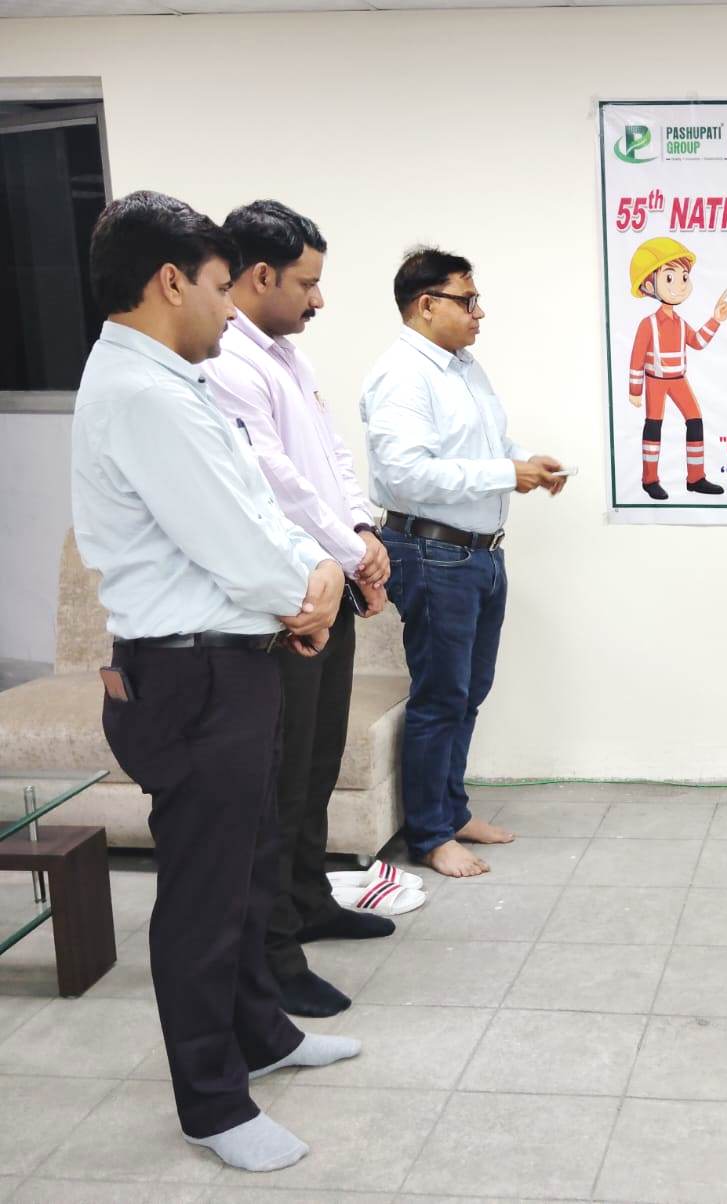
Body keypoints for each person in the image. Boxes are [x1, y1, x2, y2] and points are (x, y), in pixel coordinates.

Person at [72, 191, 360, 1172]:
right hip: (191, 674)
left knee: (245, 869)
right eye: (215, 286)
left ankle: (260, 1033)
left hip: (229, 661)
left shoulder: (174, 381)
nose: (229, 309)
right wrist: (308, 589)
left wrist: (310, 572)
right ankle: (212, 1101)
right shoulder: (144, 395)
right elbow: (235, 540)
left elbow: (254, 505)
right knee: (203, 895)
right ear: (169, 282)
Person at [207, 200, 394, 1020]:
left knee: (317, 763)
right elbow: (276, 482)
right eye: (307, 283)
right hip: (287, 605)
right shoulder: (228, 362)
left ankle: (310, 900)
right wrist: (351, 551)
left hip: (331, 584)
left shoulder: (287, 356)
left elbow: (331, 459)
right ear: (260, 275)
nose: (319, 299)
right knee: (282, 783)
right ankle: (276, 951)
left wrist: (363, 530)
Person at [361, 247, 566, 877]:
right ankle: (429, 834)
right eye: (468, 300)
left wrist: (525, 461)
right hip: (431, 552)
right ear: (427, 305)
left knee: (468, 693)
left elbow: (489, 443)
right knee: (441, 696)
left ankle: (451, 811)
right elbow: (407, 474)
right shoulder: (402, 375)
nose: (479, 313)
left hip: (477, 553)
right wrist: (506, 473)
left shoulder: (464, 367)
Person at [626, 235, 727, 499]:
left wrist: (715, 320)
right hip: (655, 381)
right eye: (670, 278)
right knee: (654, 427)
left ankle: (695, 478)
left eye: (684, 277)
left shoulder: (680, 323)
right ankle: (650, 480)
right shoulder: (648, 324)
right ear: (648, 285)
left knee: (695, 421)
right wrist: (635, 391)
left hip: (678, 380)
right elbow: (636, 359)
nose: (680, 285)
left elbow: (697, 342)